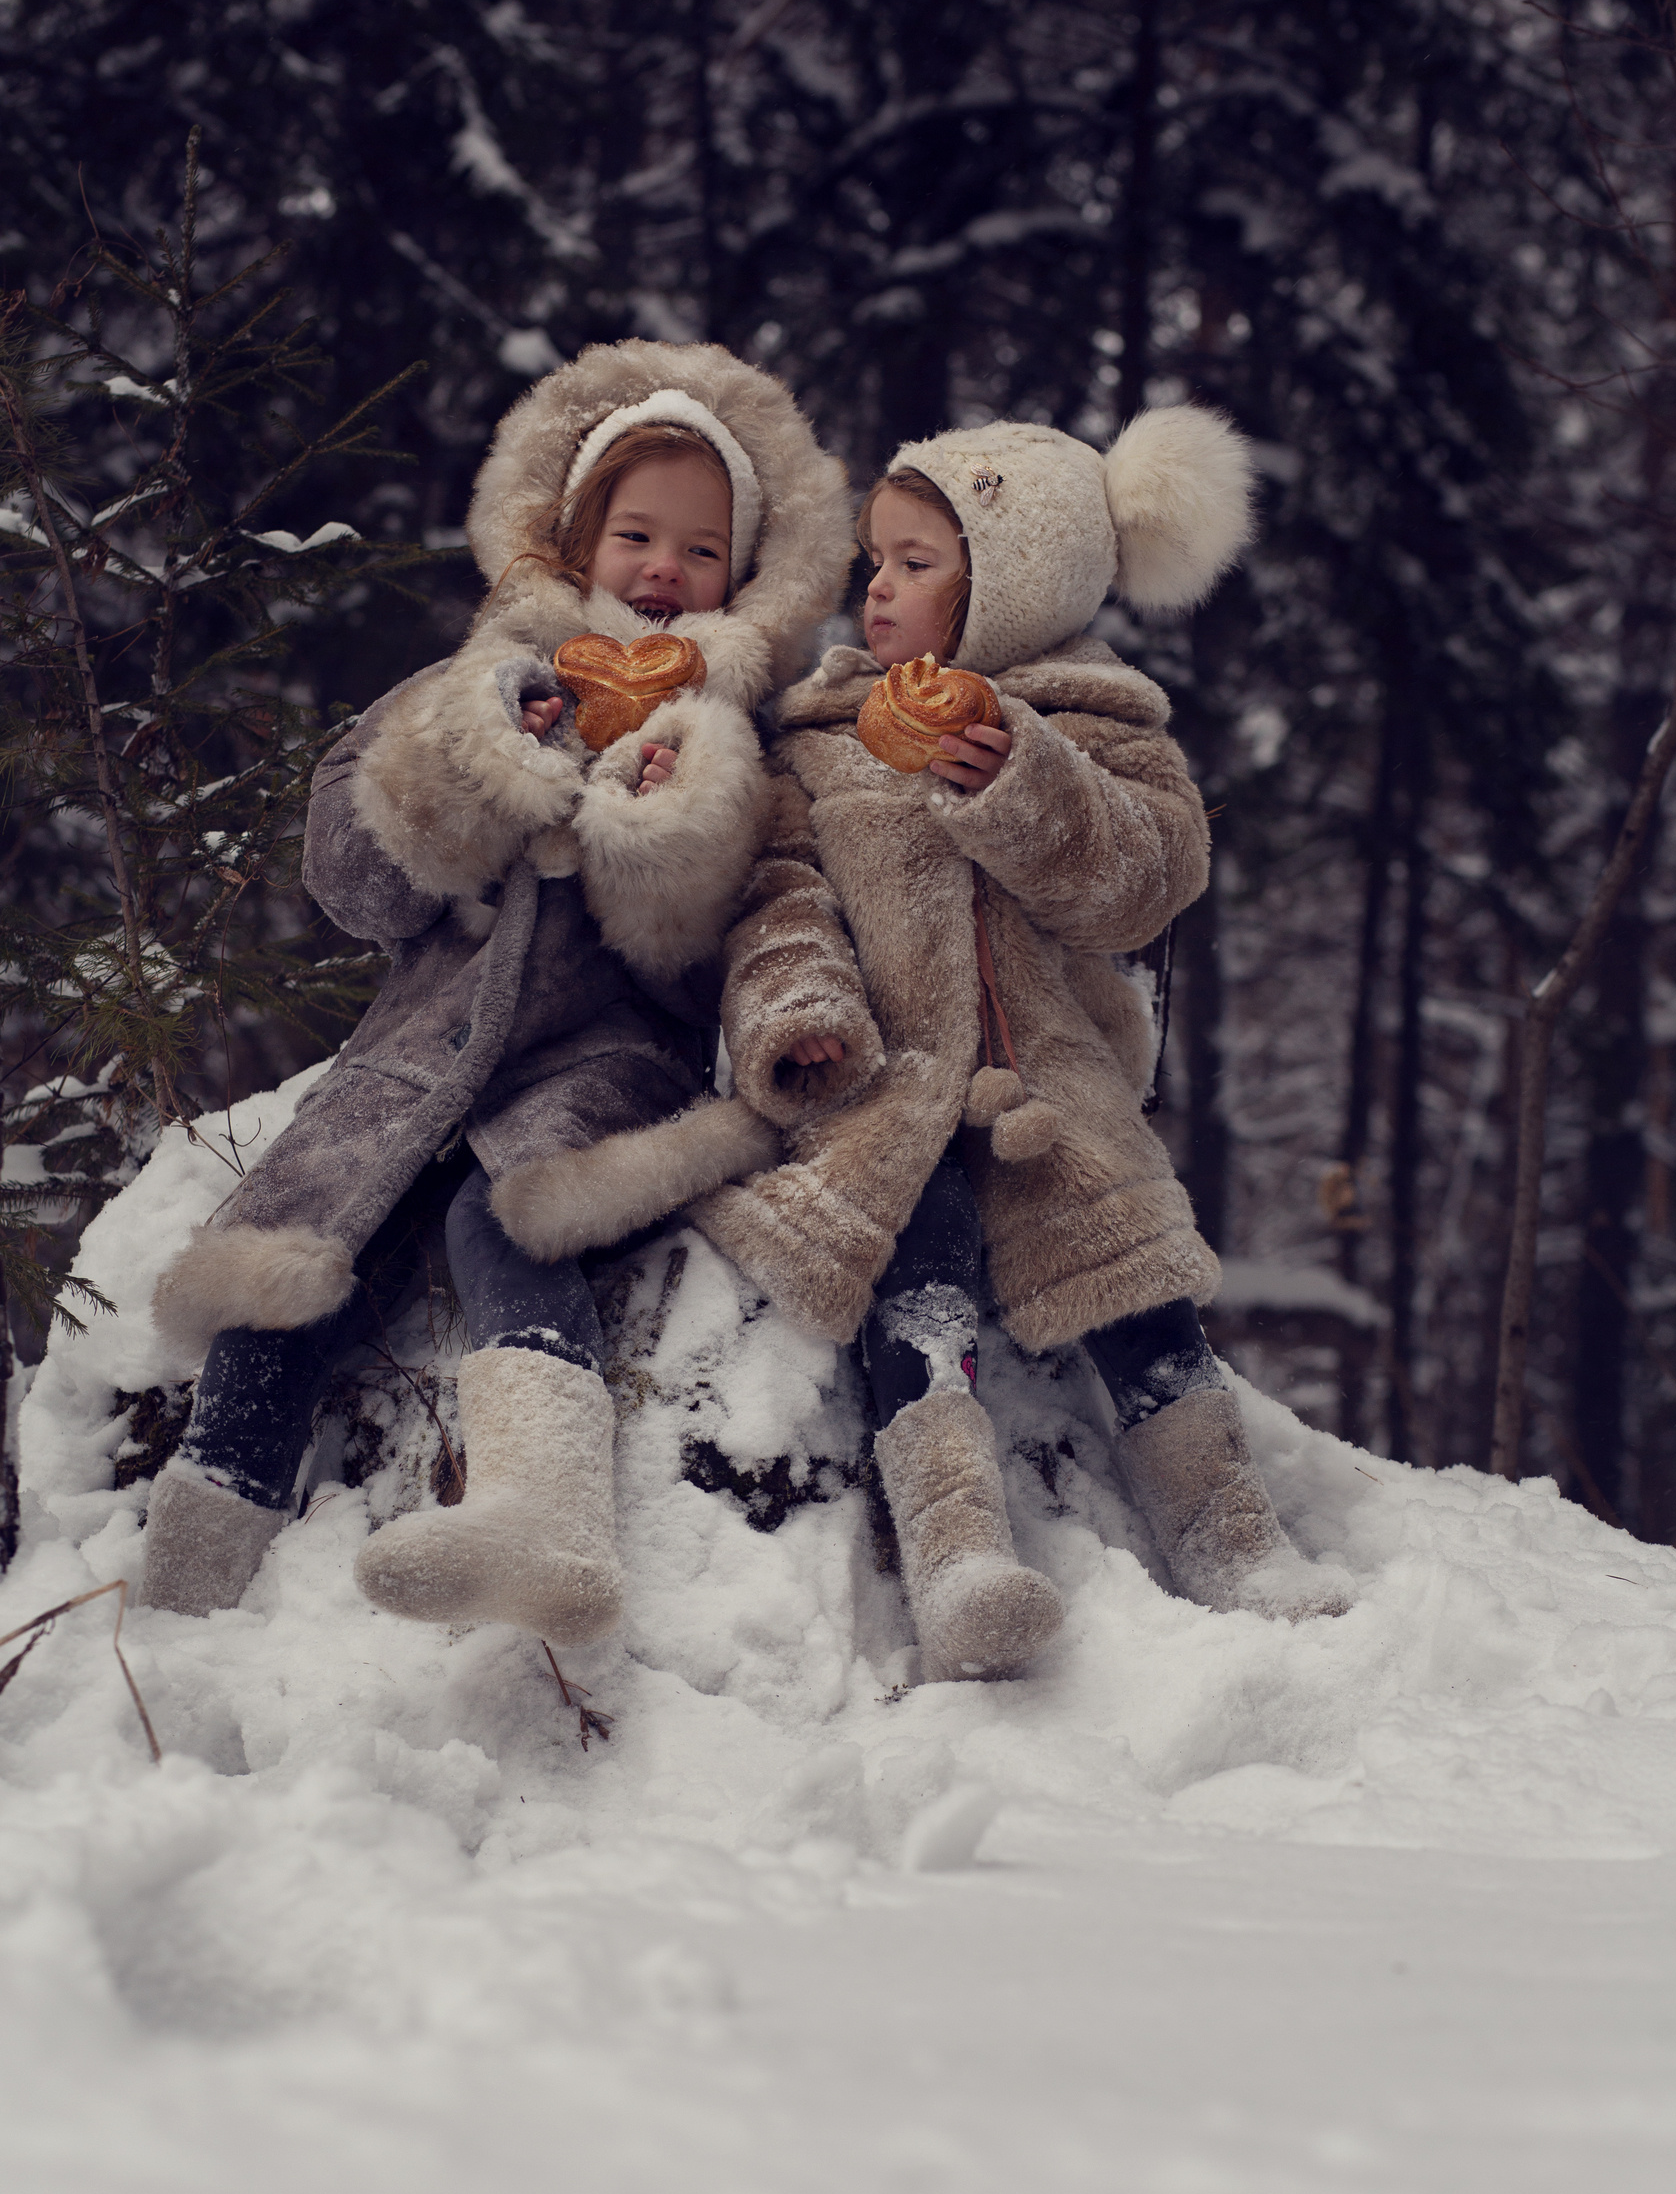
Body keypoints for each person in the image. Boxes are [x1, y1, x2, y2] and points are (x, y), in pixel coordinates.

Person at [142, 339, 852, 1638]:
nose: (662, 570)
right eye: (636, 534)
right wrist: (467, 771)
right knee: (309, 1237)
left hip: (601, 1059)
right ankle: (204, 1525)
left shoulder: (738, 734)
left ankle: (546, 1509)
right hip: (419, 1051)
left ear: (743, 577)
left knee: (502, 1223)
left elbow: (701, 954)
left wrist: (660, 819)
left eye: (701, 552)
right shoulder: (475, 683)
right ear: (573, 541)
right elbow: (357, 892)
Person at [689, 409, 1352, 1681]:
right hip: (887, 1082)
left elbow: (1145, 881)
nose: (877, 588)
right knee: (919, 1270)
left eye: (918, 562)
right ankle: (956, 1556)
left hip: (1056, 1087)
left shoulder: (1097, 729)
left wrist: (1018, 778)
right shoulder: (819, 740)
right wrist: (798, 1013)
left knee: (1139, 1283)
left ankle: (1233, 1537)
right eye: (874, 561)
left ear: (1011, 582)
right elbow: (779, 897)